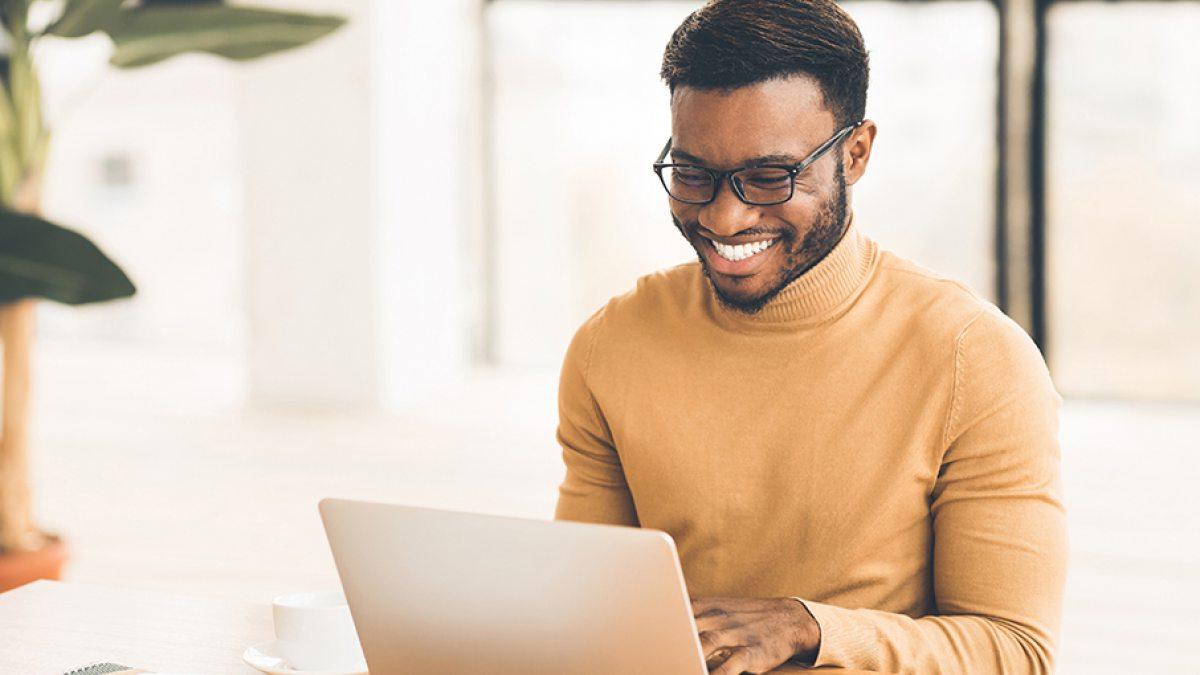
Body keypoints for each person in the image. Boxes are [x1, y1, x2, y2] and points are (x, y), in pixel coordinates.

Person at [552, 1, 1068, 673]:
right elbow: (583, 611)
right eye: (694, 173)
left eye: (769, 176)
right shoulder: (611, 345)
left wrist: (811, 627)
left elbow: (1016, 649)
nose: (726, 216)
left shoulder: (976, 357)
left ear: (855, 154)